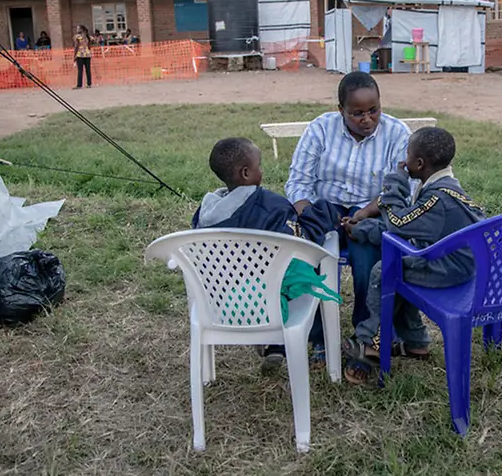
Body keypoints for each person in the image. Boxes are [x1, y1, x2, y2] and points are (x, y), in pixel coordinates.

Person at [341, 127, 485, 383]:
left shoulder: (437, 200)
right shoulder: (445, 187)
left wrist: (396, 181)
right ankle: (416, 342)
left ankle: (372, 342)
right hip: (464, 260)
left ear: (419, 163)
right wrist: (363, 227)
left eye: (407, 154)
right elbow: (408, 226)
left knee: (385, 271)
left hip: (451, 267)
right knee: (405, 267)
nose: (404, 160)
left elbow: (396, 222)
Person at [285, 72, 411, 366]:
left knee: (368, 262)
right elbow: (299, 182)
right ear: (340, 110)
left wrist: (363, 214)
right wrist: (311, 216)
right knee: (310, 257)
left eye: (373, 110)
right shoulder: (321, 129)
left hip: (372, 210)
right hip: (323, 209)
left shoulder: (397, 134)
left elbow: (402, 190)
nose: (367, 119)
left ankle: (365, 338)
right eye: (357, 113)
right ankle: (318, 335)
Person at [192, 137, 342, 374]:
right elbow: (301, 240)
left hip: (220, 301)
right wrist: (324, 213)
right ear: (245, 173)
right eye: (258, 166)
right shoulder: (270, 206)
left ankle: (275, 346)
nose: (261, 171)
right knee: (300, 270)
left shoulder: (204, 214)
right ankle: (288, 339)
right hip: (267, 299)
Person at [73, 25, 92, 89]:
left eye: (78, 28)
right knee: (88, 70)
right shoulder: (88, 37)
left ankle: (79, 85)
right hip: (87, 54)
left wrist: (74, 55)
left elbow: (76, 46)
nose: (77, 29)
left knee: (80, 70)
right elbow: (89, 45)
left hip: (80, 54)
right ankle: (89, 84)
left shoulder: (77, 37)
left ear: (81, 29)